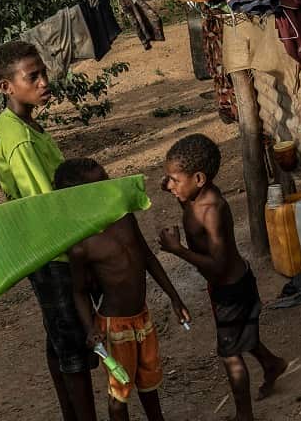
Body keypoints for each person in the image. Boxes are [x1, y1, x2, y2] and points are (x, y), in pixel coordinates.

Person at [0, 40, 97, 421]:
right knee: (72, 344)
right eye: (32, 77)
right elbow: (45, 206)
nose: (43, 82)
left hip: (47, 248)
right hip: (54, 251)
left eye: (43, 73)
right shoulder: (18, 139)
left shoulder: (23, 123)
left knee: (59, 338)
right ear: (6, 87)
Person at [158, 134, 287, 421]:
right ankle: (271, 364)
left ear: (199, 178)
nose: (170, 185)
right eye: (169, 179)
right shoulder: (192, 196)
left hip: (232, 288)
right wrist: (171, 183)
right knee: (241, 334)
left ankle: (244, 414)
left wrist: (177, 250)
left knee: (230, 353)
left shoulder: (212, 209)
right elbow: (179, 190)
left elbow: (217, 264)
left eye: (174, 180)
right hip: (225, 287)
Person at [56, 158, 191, 421]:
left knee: (149, 382)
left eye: (107, 180)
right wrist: (89, 328)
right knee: (120, 393)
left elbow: (148, 257)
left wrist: (174, 297)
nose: (109, 188)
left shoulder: (124, 216)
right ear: (80, 197)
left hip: (141, 318)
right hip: (114, 326)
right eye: (99, 185)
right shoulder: (81, 245)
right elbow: (79, 291)